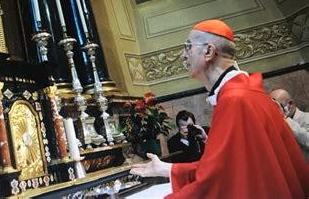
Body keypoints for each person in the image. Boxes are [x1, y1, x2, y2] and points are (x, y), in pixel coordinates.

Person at [130, 19, 309, 198]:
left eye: (188, 47)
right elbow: (226, 167)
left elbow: (216, 182)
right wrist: (167, 168)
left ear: (208, 51)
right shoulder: (248, 93)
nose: (183, 56)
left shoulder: (234, 100)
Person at [270, 88, 309, 162]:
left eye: (276, 106)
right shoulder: (278, 126)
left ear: (290, 104)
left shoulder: (306, 118)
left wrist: (285, 119)